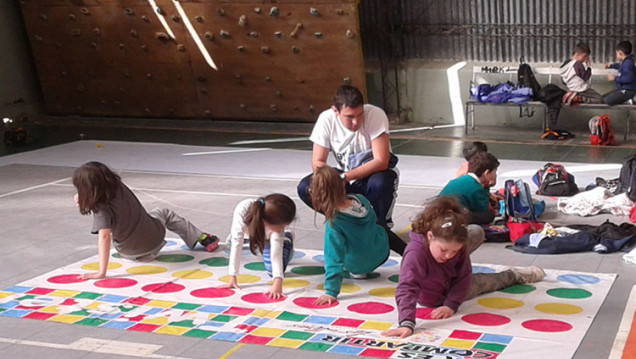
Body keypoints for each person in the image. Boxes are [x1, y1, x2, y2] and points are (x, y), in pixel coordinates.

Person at [381, 196, 545, 338]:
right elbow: (407, 288)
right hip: (435, 296)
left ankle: (513, 275)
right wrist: (406, 323)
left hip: (454, 286)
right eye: (444, 250)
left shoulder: (455, 249)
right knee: (484, 281)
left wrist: (451, 304)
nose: (448, 255)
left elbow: (464, 276)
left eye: (454, 251)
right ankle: (513, 275)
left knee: (479, 251)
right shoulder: (416, 254)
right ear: (429, 236)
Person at [72, 161, 219, 280]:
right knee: (163, 212)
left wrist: (101, 272)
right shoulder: (117, 185)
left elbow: (104, 236)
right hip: (155, 238)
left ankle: (144, 254)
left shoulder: (101, 208)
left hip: (129, 251)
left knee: (155, 215)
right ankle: (200, 237)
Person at [297, 85, 399, 228]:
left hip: (372, 174)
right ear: (335, 111)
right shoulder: (326, 119)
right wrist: (331, 180)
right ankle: (344, 220)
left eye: (359, 114)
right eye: (349, 117)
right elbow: (317, 162)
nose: (356, 122)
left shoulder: (375, 114)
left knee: (380, 183)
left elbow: (381, 161)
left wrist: (345, 177)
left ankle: (379, 224)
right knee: (306, 187)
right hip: (344, 174)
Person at [310, 165, 406, 305]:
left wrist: (331, 291)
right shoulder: (361, 200)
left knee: (334, 249)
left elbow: (333, 259)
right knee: (382, 229)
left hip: (357, 265)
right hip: (381, 252)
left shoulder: (334, 223)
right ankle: (412, 254)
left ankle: (359, 270)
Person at [218, 194, 296, 299]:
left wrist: (277, 281)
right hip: (247, 233)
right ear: (266, 222)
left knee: (271, 271)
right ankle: (254, 240)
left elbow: (275, 253)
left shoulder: (276, 228)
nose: (282, 228)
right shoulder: (243, 210)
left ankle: (287, 240)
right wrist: (232, 277)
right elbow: (237, 243)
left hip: (266, 236)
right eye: (282, 226)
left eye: (284, 227)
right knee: (231, 245)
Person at [440, 151, 500, 225]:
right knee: (489, 215)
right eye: (494, 172)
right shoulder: (476, 188)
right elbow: (483, 209)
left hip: (440, 214)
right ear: (486, 173)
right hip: (452, 219)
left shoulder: (462, 179)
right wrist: (487, 187)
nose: (496, 175)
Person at [603, 41, 636, 105]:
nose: (616, 55)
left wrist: (614, 78)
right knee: (603, 98)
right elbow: (620, 66)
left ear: (620, 53)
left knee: (608, 101)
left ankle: (629, 101)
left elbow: (629, 78)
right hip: (623, 88)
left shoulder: (628, 63)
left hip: (628, 91)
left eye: (616, 53)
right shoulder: (627, 61)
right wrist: (610, 66)